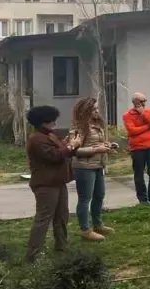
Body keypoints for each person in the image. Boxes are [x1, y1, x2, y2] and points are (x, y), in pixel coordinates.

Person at [26, 105, 79, 261]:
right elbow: (54, 156)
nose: (55, 122)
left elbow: (65, 151)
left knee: (62, 216)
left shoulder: (50, 135)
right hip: (45, 184)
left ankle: (61, 248)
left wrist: (71, 144)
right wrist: (71, 146)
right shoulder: (36, 139)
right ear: (43, 122)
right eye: (52, 120)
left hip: (58, 182)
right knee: (43, 219)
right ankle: (33, 255)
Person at [69, 98, 116, 242]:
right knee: (85, 199)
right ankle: (85, 230)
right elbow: (74, 151)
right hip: (84, 167)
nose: (97, 111)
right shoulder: (79, 128)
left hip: (97, 165)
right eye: (94, 109)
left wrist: (107, 145)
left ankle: (98, 225)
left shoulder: (96, 124)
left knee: (99, 195)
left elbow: (95, 142)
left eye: (97, 108)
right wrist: (96, 149)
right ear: (85, 111)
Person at [122, 92, 150, 203]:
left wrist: (144, 114)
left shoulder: (149, 112)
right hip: (137, 148)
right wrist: (147, 126)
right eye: (141, 101)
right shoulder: (127, 115)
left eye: (144, 100)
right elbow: (132, 131)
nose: (143, 103)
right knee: (139, 174)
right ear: (135, 102)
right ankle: (143, 199)